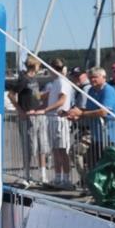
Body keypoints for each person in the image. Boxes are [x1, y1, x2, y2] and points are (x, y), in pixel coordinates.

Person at [69, 66, 115, 175]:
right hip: (97, 136)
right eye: (90, 77)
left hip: (112, 135)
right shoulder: (91, 90)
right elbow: (90, 109)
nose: (92, 80)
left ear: (103, 77)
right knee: (94, 163)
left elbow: (103, 111)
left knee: (113, 165)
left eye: (95, 77)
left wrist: (82, 113)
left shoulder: (108, 90)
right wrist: (74, 113)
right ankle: (90, 183)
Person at [7, 56, 48, 187]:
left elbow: (36, 95)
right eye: (38, 66)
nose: (39, 68)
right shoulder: (23, 79)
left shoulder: (34, 79)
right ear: (35, 66)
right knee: (29, 146)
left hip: (38, 115)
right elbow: (11, 94)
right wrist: (20, 110)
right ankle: (27, 174)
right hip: (28, 116)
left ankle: (43, 175)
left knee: (42, 145)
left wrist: (43, 99)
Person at [41, 59, 74, 189]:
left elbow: (62, 100)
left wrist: (45, 110)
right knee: (55, 150)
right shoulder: (55, 82)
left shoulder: (62, 82)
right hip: (53, 119)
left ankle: (66, 179)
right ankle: (58, 178)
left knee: (62, 150)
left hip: (60, 119)